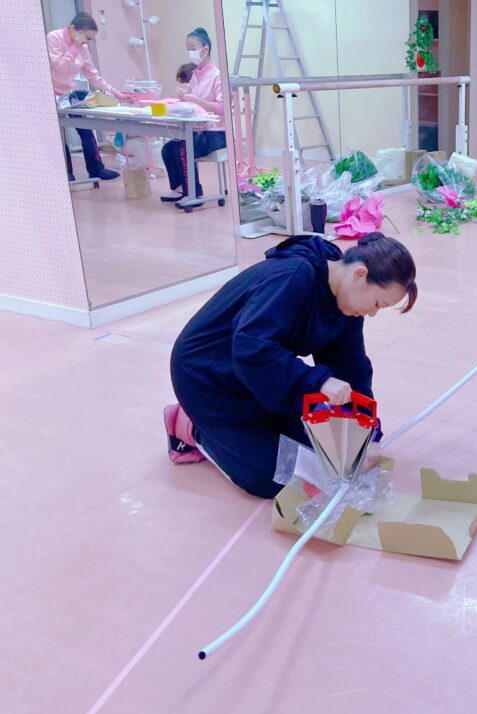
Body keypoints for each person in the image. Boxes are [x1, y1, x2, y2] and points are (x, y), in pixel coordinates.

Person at [164, 232, 418, 499]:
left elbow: (351, 368)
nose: (373, 312)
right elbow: (251, 348)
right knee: (272, 478)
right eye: (377, 303)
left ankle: (246, 427)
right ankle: (190, 427)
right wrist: (317, 381)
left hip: (259, 374)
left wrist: (368, 434)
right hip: (207, 376)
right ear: (359, 274)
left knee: (325, 453)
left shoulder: (348, 303)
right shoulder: (293, 276)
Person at [46, 12, 128, 182]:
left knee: (86, 129)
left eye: (90, 40)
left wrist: (117, 93)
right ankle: (66, 172)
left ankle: (96, 169)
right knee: (58, 135)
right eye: (87, 38)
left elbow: (93, 76)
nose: (87, 43)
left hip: (69, 94)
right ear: (72, 29)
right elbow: (60, 67)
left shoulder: (82, 48)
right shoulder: (53, 38)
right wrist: (75, 46)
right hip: (49, 93)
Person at [159, 27, 226, 208]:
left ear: (205, 49)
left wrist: (194, 99)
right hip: (198, 129)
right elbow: (189, 101)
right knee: (168, 149)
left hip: (217, 133)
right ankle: (180, 189)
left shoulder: (217, 77)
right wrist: (181, 98)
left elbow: (222, 108)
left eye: (193, 48)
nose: (190, 52)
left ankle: (194, 193)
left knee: (183, 148)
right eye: (188, 49)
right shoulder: (196, 76)